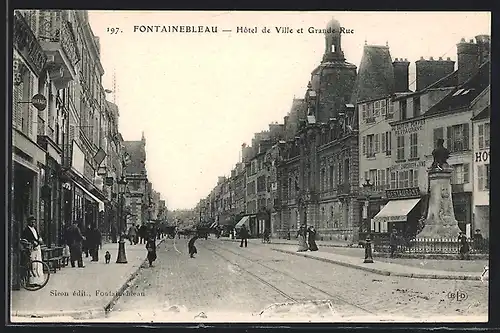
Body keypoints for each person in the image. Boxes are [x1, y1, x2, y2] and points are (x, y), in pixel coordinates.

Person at [21, 215, 45, 286]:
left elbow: (37, 236)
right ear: (28, 222)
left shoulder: (35, 229)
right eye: (31, 221)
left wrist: (40, 239)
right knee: (32, 265)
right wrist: (32, 242)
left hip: (37, 248)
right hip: (31, 250)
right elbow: (24, 239)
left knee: (38, 264)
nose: (33, 223)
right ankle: (31, 282)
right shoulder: (26, 230)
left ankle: (37, 281)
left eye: (34, 222)